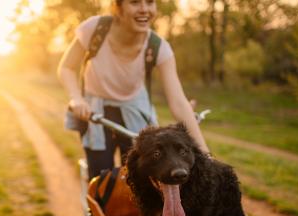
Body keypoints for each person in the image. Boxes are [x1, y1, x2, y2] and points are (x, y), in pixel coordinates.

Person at [57, 0, 210, 179]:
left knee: (140, 178)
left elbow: (178, 101)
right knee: (101, 177)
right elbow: (66, 68)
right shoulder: (95, 29)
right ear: (118, 7)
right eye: (135, 2)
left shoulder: (158, 47)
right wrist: (77, 99)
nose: (144, 9)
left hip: (135, 109)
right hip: (95, 109)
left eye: (150, 2)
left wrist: (205, 154)